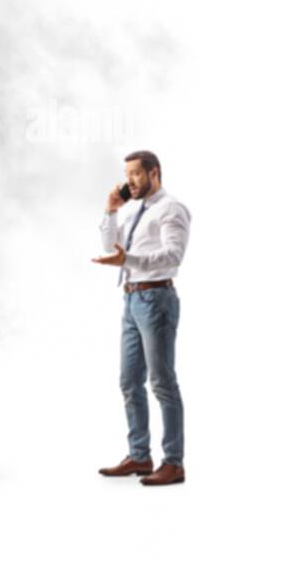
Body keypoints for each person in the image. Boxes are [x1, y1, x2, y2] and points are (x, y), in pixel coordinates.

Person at [91, 150, 191, 487]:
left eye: (135, 173)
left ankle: (173, 463)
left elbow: (173, 254)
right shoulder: (134, 210)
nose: (129, 180)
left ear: (154, 173)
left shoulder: (171, 209)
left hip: (156, 298)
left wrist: (127, 259)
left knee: (162, 383)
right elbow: (110, 246)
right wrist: (110, 210)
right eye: (127, 174)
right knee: (129, 382)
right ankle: (139, 455)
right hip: (132, 300)